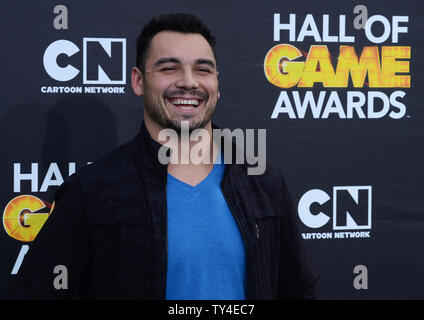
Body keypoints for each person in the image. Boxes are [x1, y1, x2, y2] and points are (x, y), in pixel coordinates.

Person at [7, 13, 318, 300]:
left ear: (217, 85)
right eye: (169, 68)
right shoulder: (92, 191)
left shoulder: (262, 180)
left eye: (202, 69)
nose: (188, 81)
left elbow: (298, 290)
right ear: (139, 81)